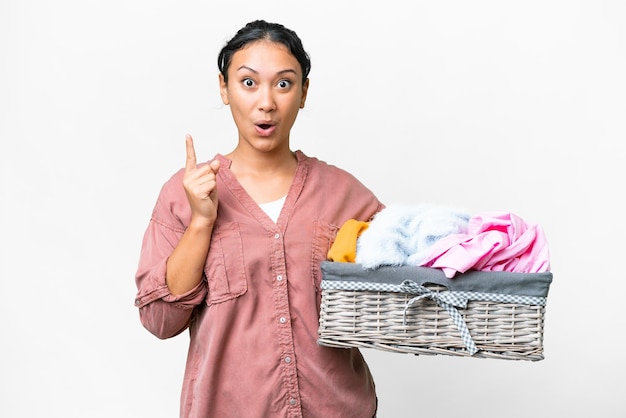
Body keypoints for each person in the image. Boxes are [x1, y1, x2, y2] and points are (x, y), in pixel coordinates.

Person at [134, 19, 384, 418]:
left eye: (283, 84)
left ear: (303, 93)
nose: (266, 102)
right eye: (248, 82)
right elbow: (160, 320)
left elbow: (395, 303)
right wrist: (201, 222)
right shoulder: (184, 193)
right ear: (224, 87)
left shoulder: (345, 196)